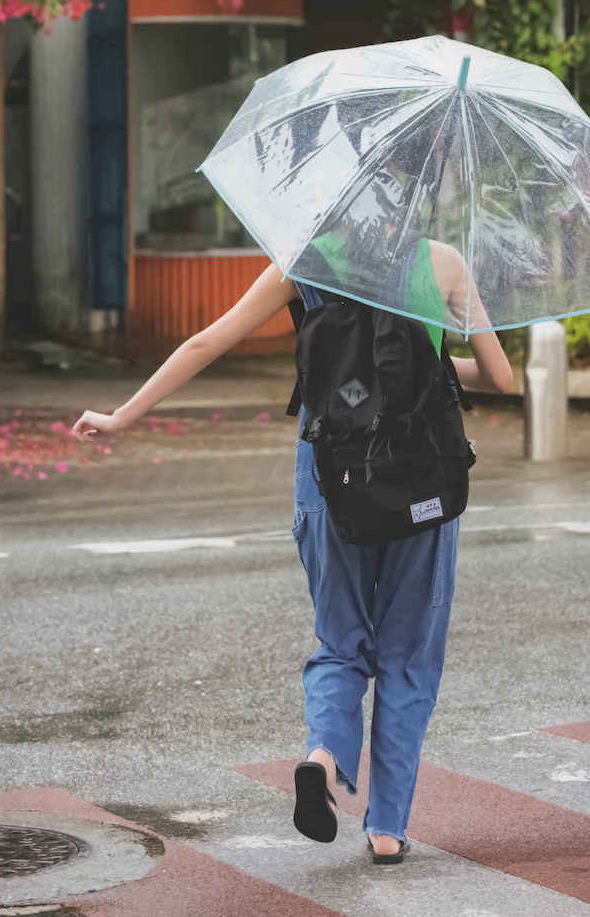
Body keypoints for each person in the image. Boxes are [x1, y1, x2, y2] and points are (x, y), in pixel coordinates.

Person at [70, 242, 512, 864]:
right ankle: (387, 830)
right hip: (421, 476)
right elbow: (500, 378)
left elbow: (206, 342)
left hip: (331, 477)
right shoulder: (443, 263)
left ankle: (323, 758)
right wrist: (429, 355)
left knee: (340, 641)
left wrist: (122, 416)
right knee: (408, 655)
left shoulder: (304, 262)